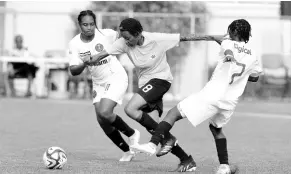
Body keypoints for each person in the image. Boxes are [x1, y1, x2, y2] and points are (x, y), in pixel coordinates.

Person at [83, 17, 225, 172]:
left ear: (138, 34)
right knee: (156, 130)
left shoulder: (157, 39)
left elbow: (186, 37)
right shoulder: (123, 42)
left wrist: (213, 38)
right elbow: (103, 53)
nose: (126, 41)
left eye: (129, 38)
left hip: (161, 80)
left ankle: (169, 141)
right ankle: (186, 160)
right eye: (123, 38)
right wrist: (91, 59)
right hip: (146, 85)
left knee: (130, 109)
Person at [132, 19, 262, 174]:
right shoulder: (254, 55)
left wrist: (229, 56)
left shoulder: (228, 43)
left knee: (172, 114)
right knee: (216, 128)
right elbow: (255, 77)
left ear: (233, 32)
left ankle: (152, 144)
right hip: (229, 101)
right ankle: (224, 166)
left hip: (212, 95)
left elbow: (228, 50)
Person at [68, 10, 140, 162]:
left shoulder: (107, 34)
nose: (89, 27)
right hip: (98, 83)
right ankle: (127, 151)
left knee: (105, 112)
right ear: (79, 25)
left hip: (115, 76)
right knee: (102, 121)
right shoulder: (74, 44)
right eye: (85, 25)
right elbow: (73, 70)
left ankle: (132, 133)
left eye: (92, 24)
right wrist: (84, 63)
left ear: (95, 24)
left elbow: (127, 36)